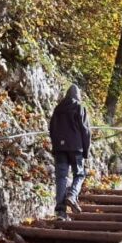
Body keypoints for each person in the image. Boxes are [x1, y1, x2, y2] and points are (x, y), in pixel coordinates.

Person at [48, 83, 91, 221]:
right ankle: (72, 195)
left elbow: (51, 129)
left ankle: (60, 212)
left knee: (61, 178)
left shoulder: (57, 109)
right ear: (78, 96)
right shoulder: (80, 107)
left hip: (60, 149)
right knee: (79, 174)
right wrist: (86, 151)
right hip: (75, 148)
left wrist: (56, 146)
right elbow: (85, 131)